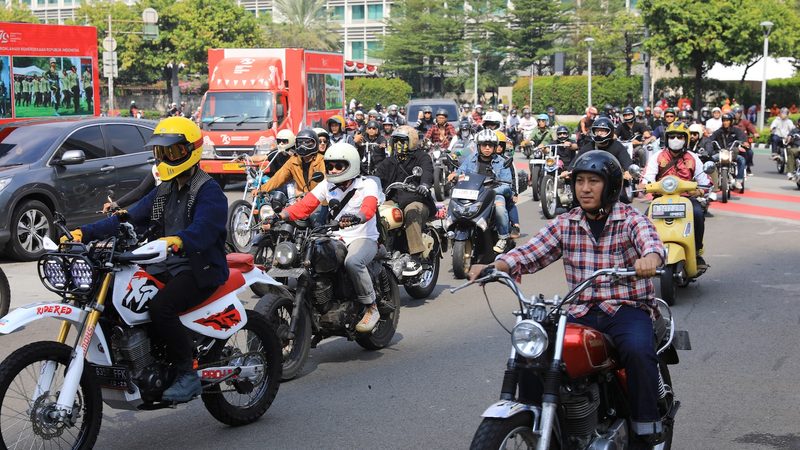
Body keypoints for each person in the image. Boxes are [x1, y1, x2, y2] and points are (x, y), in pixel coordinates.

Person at [469, 150, 668, 447]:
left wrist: (650, 258)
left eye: (593, 181)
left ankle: (645, 430)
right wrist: (497, 265)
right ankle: (537, 423)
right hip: (581, 308)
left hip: (625, 308)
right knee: (537, 352)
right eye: (580, 181)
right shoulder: (567, 222)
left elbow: (651, 242)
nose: (585, 188)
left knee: (638, 349)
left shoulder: (629, 218)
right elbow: (532, 250)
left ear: (610, 186)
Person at [66, 117, 228, 402]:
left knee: (161, 307)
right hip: (164, 263)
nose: (166, 158)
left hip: (199, 267)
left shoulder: (208, 190)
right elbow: (129, 217)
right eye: (161, 152)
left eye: (173, 152)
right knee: (123, 300)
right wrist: (84, 233)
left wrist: (179, 240)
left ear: (192, 150)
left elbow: (205, 229)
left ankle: (187, 374)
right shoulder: (164, 189)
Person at [271, 142, 383, 333]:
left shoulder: (367, 184)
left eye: (339, 165)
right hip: (336, 236)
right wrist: (280, 216)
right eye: (330, 165)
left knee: (353, 262)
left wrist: (358, 217)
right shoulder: (327, 185)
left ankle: (371, 307)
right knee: (310, 257)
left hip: (363, 236)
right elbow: (305, 206)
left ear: (352, 165)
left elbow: (369, 207)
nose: (333, 169)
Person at [642, 122, 710, 269]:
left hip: (686, 199)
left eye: (680, 137)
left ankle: (697, 252)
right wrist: (646, 186)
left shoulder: (693, 157)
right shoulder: (657, 157)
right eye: (672, 136)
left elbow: (705, 182)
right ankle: (643, 253)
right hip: (660, 200)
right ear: (667, 139)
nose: (676, 139)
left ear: (686, 139)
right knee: (643, 221)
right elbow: (647, 179)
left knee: (698, 214)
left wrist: (699, 191)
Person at [375, 125, 436, 275]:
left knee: (411, 211)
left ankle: (415, 257)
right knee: (379, 213)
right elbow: (377, 175)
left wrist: (424, 184)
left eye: (402, 141)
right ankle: (382, 250)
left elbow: (427, 172)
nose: (398, 145)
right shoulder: (390, 161)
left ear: (412, 142)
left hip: (417, 199)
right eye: (396, 141)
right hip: (394, 200)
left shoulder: (422, 157)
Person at [448, 129, 513, 253]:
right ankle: (450, 229)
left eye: (490, 145)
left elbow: (506, 184)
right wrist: (454, 175)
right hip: (473, 193)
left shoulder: (502, 162)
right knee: (453, 202)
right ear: (479, 146)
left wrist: (494, 190)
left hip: (492, 193)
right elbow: (461, 171)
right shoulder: (471, 159)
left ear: (495, 147)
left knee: (499, 207)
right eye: (484, 145)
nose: (487, 148)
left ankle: (503, 237)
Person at [256, 128, 328, 225]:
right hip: (300, 201)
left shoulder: (321, 160)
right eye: (300, 142)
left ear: (315, 144)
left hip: (319, 202)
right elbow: (279, 177)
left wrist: (310, 194)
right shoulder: (293, 160)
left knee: (317, 226)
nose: (303, 146)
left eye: (307, 142)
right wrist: (262, 189)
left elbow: (325, 181)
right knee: (280, 224)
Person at [570, 117, 634, 203]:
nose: (599, 134)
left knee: (623, 200)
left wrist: (627, 171)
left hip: (613, 180)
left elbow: (626, 160)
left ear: (610, 132)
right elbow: (577, 159)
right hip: (593, 179)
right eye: (597, 131)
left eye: (603, 131)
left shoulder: (617, 146)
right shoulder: (589, 146)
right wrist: (569, 170)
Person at [706, 112, 748, 191]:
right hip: (721, 153)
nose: (725, 122)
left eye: (727, 120)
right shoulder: (719, 131)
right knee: (709, 160)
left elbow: (742, 138)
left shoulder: (736, 131)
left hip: (732, 153)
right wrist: (707, 142)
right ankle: (710, 180)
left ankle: (739, 180)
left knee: (742, 160)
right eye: (724, 120)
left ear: (731, 121)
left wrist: (743, 143)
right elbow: (711, 138)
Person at [732, 106, 758, 175]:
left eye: (739, 113)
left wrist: (755, 133)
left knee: (750, 152)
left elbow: (751, 127)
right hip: (732, 143)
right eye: (736, 113)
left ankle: (748, 167)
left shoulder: (745, 122)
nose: (737, 114)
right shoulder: (730, 122)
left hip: (743, 143)